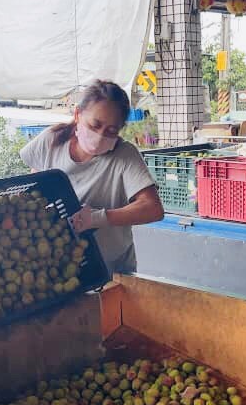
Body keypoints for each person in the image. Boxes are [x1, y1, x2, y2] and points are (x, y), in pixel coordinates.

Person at [20, 80, 164, 274]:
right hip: (58, 263)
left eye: (111, 131)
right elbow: (35, 181)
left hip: (111, 269)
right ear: (78, 114)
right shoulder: (52, 140)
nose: (99, 136)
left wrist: (99, 218)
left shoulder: (124, 156)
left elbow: (152, 208)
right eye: (94, 125)